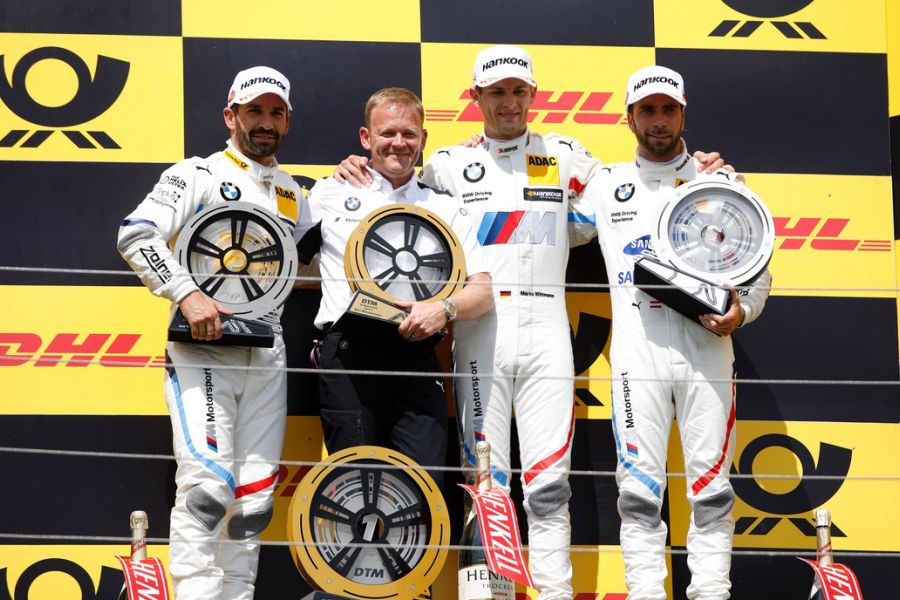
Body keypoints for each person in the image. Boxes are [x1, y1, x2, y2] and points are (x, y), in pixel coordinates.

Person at [334, 46, 726, 600]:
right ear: (476, 98)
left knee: (548, 485)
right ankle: (485, 595)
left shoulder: (566, 156)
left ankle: (554, 594)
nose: (508, 103)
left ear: (533, 96)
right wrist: (356, 166)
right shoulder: (446, 164)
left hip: (547, 331)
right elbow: (394, 186)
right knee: (484, 482)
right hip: (478, 332)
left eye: (519, 91)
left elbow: (640, 194)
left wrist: (700, 169)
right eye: (496, 92)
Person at [576, 65, 772, 599]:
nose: (658, 121)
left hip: (708, 350)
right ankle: (645, 593)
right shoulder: (604, 184)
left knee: (712, 489)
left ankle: (712, 591)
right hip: (637, 356)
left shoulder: (721, 181)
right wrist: (488, 149)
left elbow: (758, 270)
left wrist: (742, 313)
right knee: (637, 491)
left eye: (668, 109)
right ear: (629, 118)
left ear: (683, 112)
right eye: (647, 110)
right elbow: (532, 219)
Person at [117, 66, 301, 600]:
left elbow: (325, 251)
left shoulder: (293, 192)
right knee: (207, 492)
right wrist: (186, 293)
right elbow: (135, 232)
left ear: (288, 121)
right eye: (254, 111)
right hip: (204, 349)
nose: (265, 123)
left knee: (254, 502)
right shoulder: (195, 174)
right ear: (230, 115)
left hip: (268, 355)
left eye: (275, 112)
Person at [293, 87, 493, 488]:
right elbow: (286, 262)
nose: (398, 143)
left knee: (422, 489)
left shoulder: (446, 207)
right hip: (348, 354)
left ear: (423, 140)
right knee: (355, 487)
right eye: (387, 134)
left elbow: (483, 292)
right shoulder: (330, 192)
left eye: (409, 134)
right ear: (366, 138)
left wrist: (444, 310)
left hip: (416, 353)